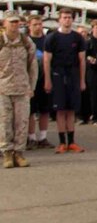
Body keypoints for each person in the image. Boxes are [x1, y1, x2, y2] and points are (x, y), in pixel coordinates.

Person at [42, 8, 87, 153]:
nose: (67, 20)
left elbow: (82, 60)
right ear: (59, 19)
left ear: (72, 19)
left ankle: (72, 141)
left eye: (69, 17)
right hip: (57, 74)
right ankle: (62, 142)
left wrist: (82, 80)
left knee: (71, 109)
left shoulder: (78, 38)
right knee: (60, 110)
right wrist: (47, 80)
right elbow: (46, 60)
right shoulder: (52, 38)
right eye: (64, 17)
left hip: (73, 74)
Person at [1, 14, 37, 168]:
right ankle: (7, 154)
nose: (15, 25)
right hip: (3, 88)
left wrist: (31, 86)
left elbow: (33, 66)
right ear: (4, 23)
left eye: (17, 22)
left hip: (22, 88)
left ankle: (19, 153)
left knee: (21, 122)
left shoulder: (26, 42)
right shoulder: (1, 41)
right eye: (12, 22)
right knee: (4, 122)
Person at [26, 16, 52, 149]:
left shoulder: (47, 40)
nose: (38, 26)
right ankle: (31, 137)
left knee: (44, 109)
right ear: (29, 26)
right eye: (35, 24)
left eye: (40, 24)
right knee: (30, 110)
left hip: (44, 79)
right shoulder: (25, 41)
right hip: (29, 80)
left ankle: (42, 137)